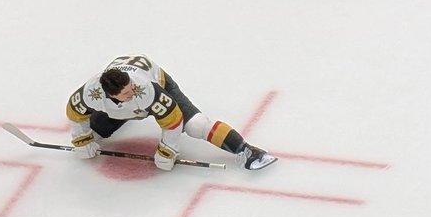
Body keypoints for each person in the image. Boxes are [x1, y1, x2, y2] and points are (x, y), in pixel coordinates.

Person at [66, 55, 276, 172]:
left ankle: (246, 150)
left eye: (131, 89)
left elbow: (173, 120)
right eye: (126, 93)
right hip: (124, 106)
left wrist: (168, 151)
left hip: (160, 87)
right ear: (110, 95)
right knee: (94, 136)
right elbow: (75, 113)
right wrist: (81, 140)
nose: (132, 92)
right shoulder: (91, 93)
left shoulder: (145, 88)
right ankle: (121, 116)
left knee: (196, 125)